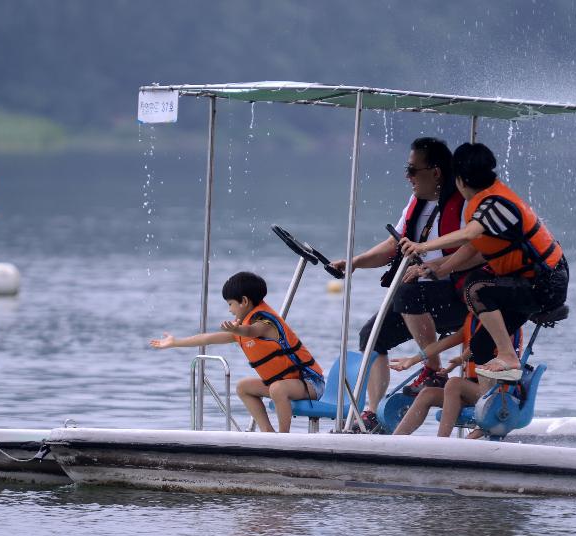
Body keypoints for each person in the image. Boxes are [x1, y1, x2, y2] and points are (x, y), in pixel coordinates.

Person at [330, 137, 477, 433]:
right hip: (418, 296)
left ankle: (433, 371)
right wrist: (354, 262)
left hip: (456, 296)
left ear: (436, 172)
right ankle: (372, 412)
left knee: (407, 291)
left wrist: (436, 267)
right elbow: (392, 246)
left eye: (412, 170)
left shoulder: (463, 204)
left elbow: (477, 249)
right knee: (371, 336)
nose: (407, 177)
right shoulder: (416, 202)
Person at [400, 142, 569, 379]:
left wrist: (422, 246)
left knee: (475, 287)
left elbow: (469, 234)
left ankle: (509, 357)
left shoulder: (497, 203)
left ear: (459, 179)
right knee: (480, 350)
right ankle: (494, 399)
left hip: (547, 284)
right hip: (528, 281)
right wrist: (435, 269)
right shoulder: (484, 202)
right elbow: (471, 248)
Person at [150, 271, 325, 433]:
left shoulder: (265, 324)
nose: (230, 310)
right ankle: (267, 432)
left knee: (277, 388)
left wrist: (238, 330)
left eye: (231, 304)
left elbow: (251, 331)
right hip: (286, 383)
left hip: (310, 383)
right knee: (243, 387)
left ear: (244, 301)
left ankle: (283, 438)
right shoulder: (242, 327)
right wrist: (175, 342)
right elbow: (208, 338)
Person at [390, 310, 523, 437]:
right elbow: (442, 344)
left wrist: (461, 359)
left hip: (499, 393)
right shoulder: (473, 321)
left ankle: (442, 441)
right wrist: (412, 360)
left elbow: (482, 343)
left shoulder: (503, 325)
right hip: (474, 392)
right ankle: (396, 440)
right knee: (427, 394)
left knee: (454, 383)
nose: (470, 305)